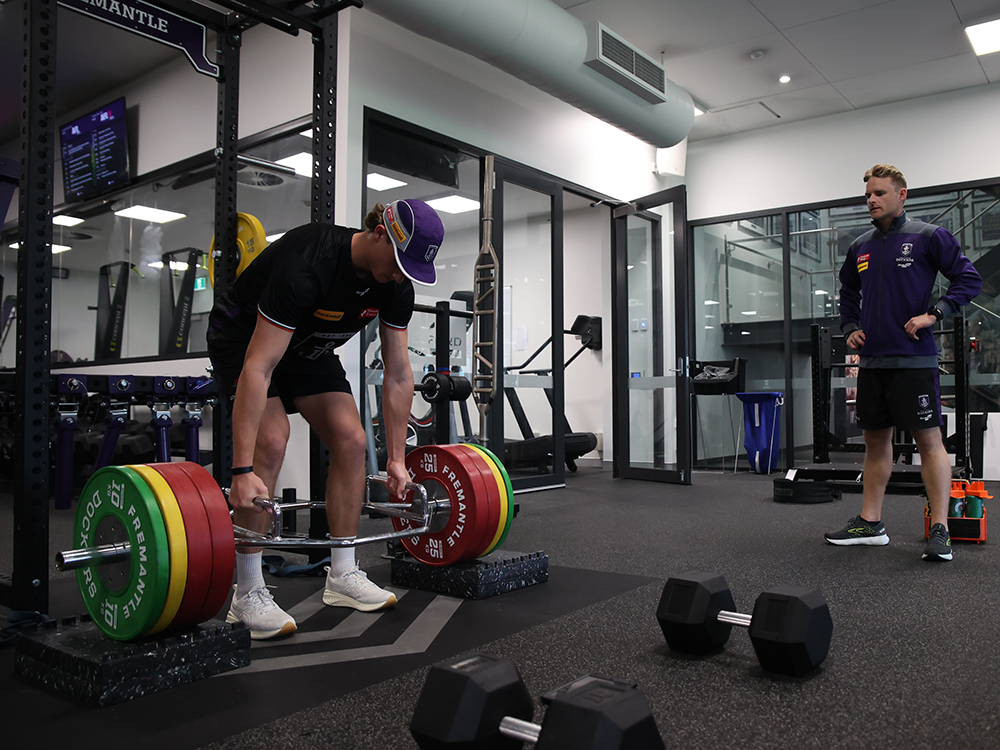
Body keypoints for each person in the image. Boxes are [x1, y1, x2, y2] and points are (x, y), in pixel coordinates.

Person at [207, 199, 444, 638]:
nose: (399, 274)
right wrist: (240, 471)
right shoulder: (308, 261)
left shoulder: (395, 285)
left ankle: (342, 573)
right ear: (378, 232)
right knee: (273, 438)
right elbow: (258, 366)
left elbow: (398, 373)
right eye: (398, 260)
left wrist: (396, 459)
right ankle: (248, 591)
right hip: (244, 340)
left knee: (353, 442)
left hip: (307, 347)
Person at [825, 164, 981, 561]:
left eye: (879, 193)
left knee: (929, 441)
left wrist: (936, 313)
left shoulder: (929, 237)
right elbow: (847, 290)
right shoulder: (860, 245)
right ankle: (871, 523)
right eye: (867, 196)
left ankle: (941, 529)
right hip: (873, 361)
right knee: (875, 442)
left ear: (902, 195)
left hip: (913, 358)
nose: (871, 201)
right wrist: (850, 325)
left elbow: (968, 279)